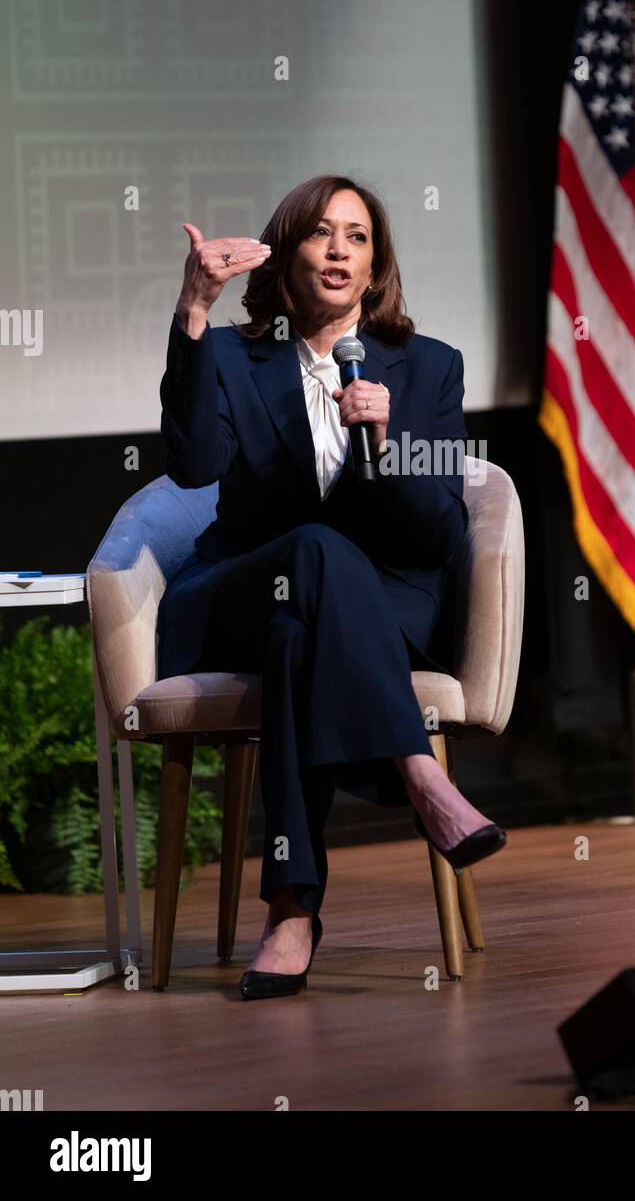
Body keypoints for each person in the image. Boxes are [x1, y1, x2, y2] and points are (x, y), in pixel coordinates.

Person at [157, 173, 506, 1000]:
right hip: (237, 589)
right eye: (321, 233)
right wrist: (193, 314)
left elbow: (435, 533)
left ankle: (290, 908)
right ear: (288, 253)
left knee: (296, 640)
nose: (339, 249)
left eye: (357, 235)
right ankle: (419, 776)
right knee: (307, 552)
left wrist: (383, 442)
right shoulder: (240, 357)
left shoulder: (428, 369)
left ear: (376, 262)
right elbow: (193, 466)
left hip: (375, 607)